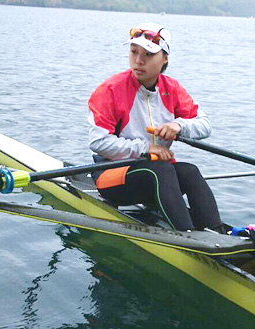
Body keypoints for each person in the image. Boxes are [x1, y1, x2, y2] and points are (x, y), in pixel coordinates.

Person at [87, 22, 224, 233]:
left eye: (148, 55)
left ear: (165, 59)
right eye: (134, 52)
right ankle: (189, 239)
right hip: (111, 176)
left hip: (157, 176)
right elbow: (98, 142)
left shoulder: (172, 89)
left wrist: (179, 125)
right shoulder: (111, 89)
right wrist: (146, 148)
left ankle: (217, 234)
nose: (138, 61)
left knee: (189, 171)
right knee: (160, 170)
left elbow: (205, 125)